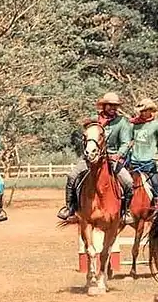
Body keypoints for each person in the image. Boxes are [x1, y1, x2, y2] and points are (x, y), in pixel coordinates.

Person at [57, 92, 135, 224]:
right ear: (104, 106)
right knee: (72, 176)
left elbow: (125, 142)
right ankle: (69, 208)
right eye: (110, 105)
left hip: (113, 158)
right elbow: (86, 138)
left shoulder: (122, 122)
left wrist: (119, 154)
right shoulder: (94, 120)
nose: (113, 108)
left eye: (115, 106)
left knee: (128, 182)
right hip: (90, 158)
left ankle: (125, 212)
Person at [128, 98, 158, 206]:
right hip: (134, 161)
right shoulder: (133, 125)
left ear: (151, 111)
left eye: (145, 110)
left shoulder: (156, 125)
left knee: (155, 183)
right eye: (141, 111)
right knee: (126, 184)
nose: (143, 113)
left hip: (149, 161)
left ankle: (157, 202)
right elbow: (128, 139)